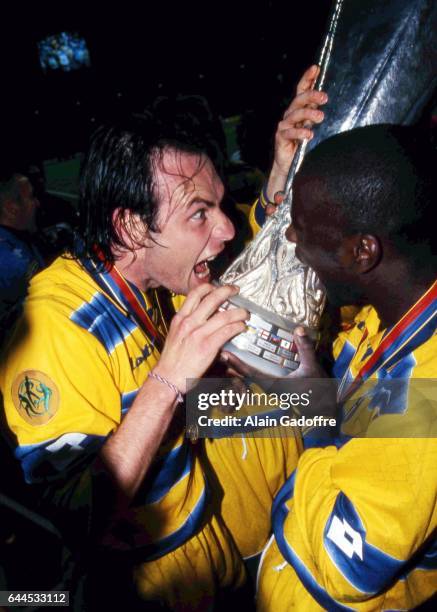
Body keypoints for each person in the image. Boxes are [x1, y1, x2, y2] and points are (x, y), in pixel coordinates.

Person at [0, 69, 326, 610]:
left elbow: (244, 259)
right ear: (130, 228)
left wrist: (279, 174)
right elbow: (78, 519)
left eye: (219, 203)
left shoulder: (161, 273)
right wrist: (170, 381)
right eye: (200, 213)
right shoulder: (53, 331)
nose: (223, 230)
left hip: (228, 558)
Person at [225, 124, 437, 610]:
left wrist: (313, 418)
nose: (292, 239)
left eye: (303, 228)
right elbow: (364, 431)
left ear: (363, 250)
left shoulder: (428, 393)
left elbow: (349, 566)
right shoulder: (384, 317)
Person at [0, 173, 44, 343]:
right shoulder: (9, 262)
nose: (37, 203)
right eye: (31, 197)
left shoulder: (20, 239)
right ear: (11, 208)